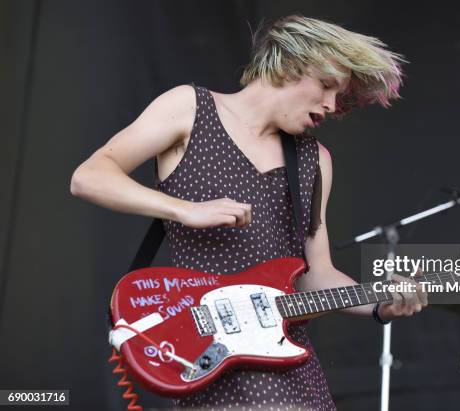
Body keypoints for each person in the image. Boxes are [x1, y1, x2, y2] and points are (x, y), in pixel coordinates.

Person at [71, 15, 427, 410]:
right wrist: (184, 210)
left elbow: (317, 273)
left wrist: (380, 303)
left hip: (286, 362)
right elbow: (90, 176)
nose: (330, 105)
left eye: (338, 96)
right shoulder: (190, 108)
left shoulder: (315, 159)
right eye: (326, 85)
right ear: (290, 64)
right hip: (209, 352)